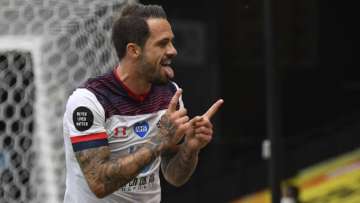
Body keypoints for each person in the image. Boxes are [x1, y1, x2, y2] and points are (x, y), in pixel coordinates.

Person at [62, 3, 223, 203]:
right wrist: (159, 140)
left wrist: (190, 148)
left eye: (172, 42)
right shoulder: (89, 101)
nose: (173, 51)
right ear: (134, 50)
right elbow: (99, 183)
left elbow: (173, 176)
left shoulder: (169, 94)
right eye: (162, 43)